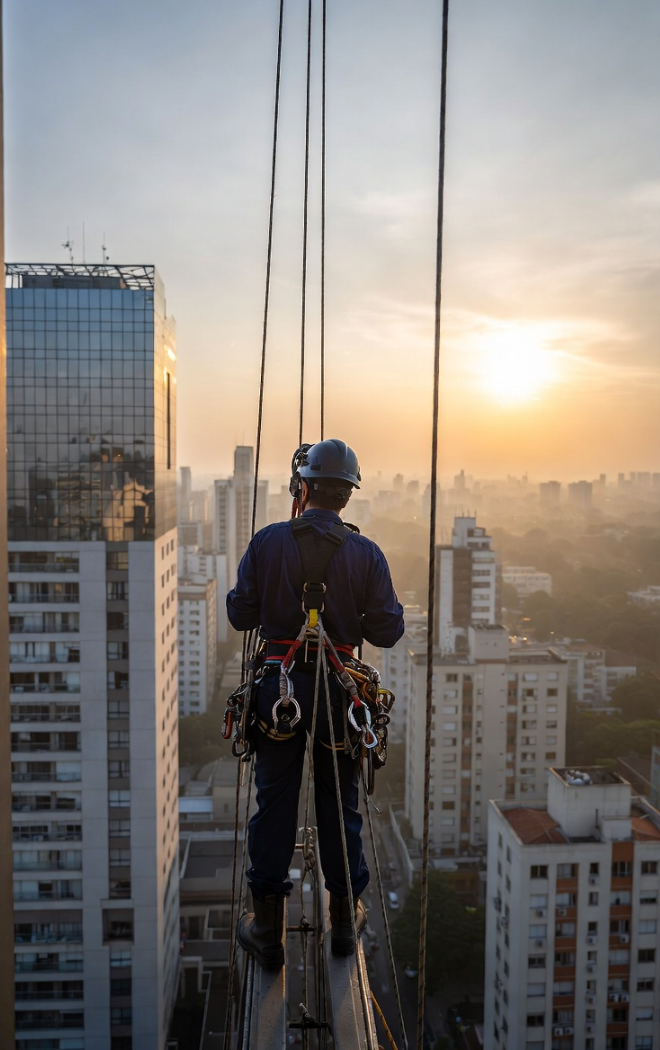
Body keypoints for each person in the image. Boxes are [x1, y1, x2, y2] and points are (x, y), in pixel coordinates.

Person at [227, 438, 404, 969]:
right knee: (340, 803)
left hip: (279, 691)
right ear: (347, 496)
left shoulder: (268, 542)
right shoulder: (366, 553)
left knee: (275, 800)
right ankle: (345, 923)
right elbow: (389, 630)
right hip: (339, 692)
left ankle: (267, 926)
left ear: (301, 487)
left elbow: (240, 616)